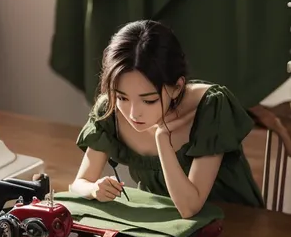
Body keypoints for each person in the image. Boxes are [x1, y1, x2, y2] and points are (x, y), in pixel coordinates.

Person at [71, 20, 264, 217]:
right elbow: (78, 183)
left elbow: (189, 207)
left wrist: (163, 139)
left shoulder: (211, 105)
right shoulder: (110, 109)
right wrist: (94, 189)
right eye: (122, 97)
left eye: (149, 101)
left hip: (236, 223)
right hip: (166, 226)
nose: (133, 113)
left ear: (177, 87)